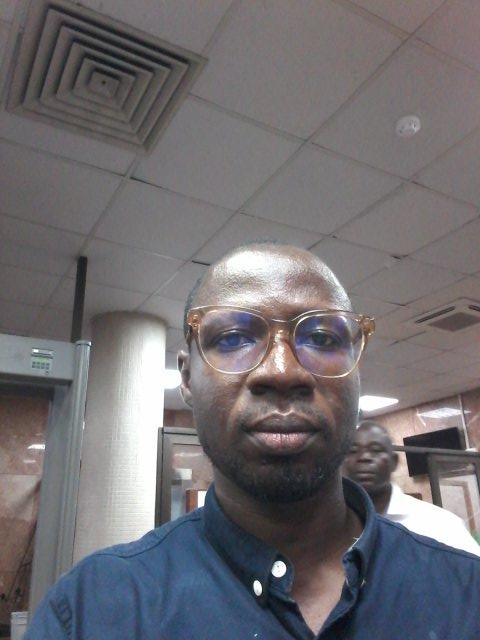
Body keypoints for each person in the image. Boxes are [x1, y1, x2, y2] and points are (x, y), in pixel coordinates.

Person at [26, 243, 480, 639]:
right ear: (187, 377)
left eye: (322, 337)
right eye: (233, 338)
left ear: (357, 373)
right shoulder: (91, 613)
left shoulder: (466, 596)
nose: (281, 372)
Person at [343, 420, 480, 555]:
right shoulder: (335, 529)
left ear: (394, 461)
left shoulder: (440, 524)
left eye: (376, 450)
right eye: (353, 451)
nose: (364, 457)